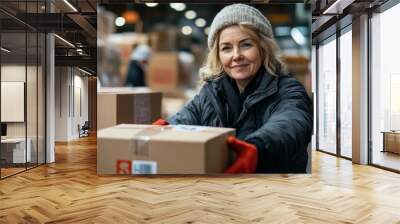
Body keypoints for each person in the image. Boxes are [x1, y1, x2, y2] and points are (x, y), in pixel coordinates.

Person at [154, 4, 312, 173]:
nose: (236, 55)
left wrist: (256, 147)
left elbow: (290, 123)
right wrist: (165, 128)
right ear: (218, 55)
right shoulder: (210, 93)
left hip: (274, 192)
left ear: (263, 48)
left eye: (246, 45)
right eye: (226, 48)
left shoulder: (288, 91)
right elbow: (185, 119)